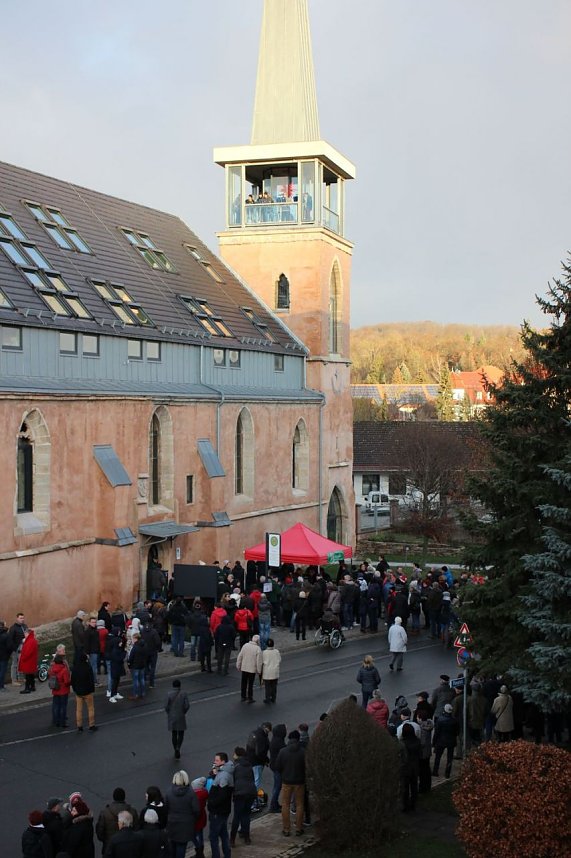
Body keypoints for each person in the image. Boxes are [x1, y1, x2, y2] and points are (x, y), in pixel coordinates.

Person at [275, 729, 306, 838]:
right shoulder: (303, 751)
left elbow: (277, 767)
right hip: (300, 782)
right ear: (298, 739)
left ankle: (286, 829)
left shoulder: (283, 751)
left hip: (286, 781)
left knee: (285, 804)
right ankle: (298, 828)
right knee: (299, 805)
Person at [164, 770, 199, 858]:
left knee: (172, 846)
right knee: (181, 847)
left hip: (172, 823)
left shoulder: (168, 792)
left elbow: (165, 808)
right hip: (186, 825)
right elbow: (196, 810)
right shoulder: (191, 793)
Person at [207, 753, 234, 858]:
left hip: (217, 811)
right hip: (224, 810)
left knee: (213, 837)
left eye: (217, 760)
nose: (215, 762)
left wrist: (211, 802)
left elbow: (222, 795)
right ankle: (227, 855)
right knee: (223, 834)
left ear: (223, 762)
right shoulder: (226, 771)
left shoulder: (223, 776)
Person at [96, 788, 139, 853]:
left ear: (114, 797)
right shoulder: (132, 811)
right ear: (124, 797)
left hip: (109, 848)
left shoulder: (105, 813)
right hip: (129, 848)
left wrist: (107, 841)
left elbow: (100, 833)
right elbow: (137, 830)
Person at [230, 746, 257, 846]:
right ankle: (247, 838)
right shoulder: (249, 765)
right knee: (246, 815)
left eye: (234, 754)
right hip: (251, 792)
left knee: (237, 816)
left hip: (240, 793)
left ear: (237, 755)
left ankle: (232, 839)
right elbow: (252, 779)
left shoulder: (235, 766)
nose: (233, 755)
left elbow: (233, 781)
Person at [71, 651, 97, 732]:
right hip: (88, 691)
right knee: (90, 708)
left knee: (79, 710)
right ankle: (91, 725)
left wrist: (75, 690)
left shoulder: (75, 668)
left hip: (78, 692)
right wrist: (92, 689)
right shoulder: (88, 667)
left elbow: (73, 681)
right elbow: (91, 680)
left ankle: (79, 726)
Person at [432, 703, 459, 778]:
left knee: (438, 757)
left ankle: (435, 771)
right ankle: (447, 773)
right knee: (449, 758)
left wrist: (434, 742)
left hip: (441, 741)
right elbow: (457, 732)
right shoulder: (454, 720)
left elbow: (436, 732)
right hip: (451, 741)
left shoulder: (440, 720)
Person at [399, 722, 421, 812]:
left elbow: (403, 757)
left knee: (405, 787)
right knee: (414, 786)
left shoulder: (403, 743)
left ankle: (405, 806)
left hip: (406, 767)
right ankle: (413, 804)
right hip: (415, 766)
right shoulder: (417, 741)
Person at [246, 720, 271, 797]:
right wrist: (266, 760)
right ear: (266, 728)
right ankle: (253, 801)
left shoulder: (254, 733)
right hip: (257, 762)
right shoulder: (261, 737)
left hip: (250, 759)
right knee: (256, 781)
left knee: (252, 780)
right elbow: (260, 752)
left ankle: (251, 798)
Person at [165, 679, 190, 759]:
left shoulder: (169, 694)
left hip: (172, 716)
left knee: (174, 733)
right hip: (181, 715)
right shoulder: (184, 694)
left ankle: (175, 748)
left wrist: (169, 713)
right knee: (181, 733)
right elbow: (187, 705)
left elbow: (166, 706)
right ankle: (178, 747)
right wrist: (183, 712)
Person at [48, 652, 71, 729]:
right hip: (63, 691)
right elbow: (67, 681)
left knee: (56, 706)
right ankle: (62, 722)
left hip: (55, 690)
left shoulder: (52, 669)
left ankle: (56, 721)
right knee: (63, 707)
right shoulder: (64, 670)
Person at [236, 634, 262, 703]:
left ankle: (243, 696)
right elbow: (258, 661)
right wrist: (259, 670)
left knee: (243, 683)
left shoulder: (245, 645)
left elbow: (240, 656)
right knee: (250, 684)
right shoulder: (258, 649)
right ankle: (250, 697)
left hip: (244, 668)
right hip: (252, 669)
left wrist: (238, 665)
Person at [268, 723, 287, 813]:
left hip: (274, 766)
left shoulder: (275, 740)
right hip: (278, 767)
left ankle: (274, 804)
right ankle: (273, 805)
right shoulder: (279, 742)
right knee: (277, 787)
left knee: (276, 786)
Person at [190, 778, 208, 858]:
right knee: (200, 835)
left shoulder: (196, 796)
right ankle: (200, 852)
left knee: (192, 835)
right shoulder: (204, 793)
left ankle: (199, 852)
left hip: (195, 819)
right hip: (202, 817)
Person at [8, 611, 27, 686]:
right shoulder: (13, 628)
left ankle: (21, 678)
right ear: (17, 619)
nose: (22, 619)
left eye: (23, 618)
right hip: (16, 649)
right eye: (20, 618)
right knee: (15, 665)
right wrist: (14, 649)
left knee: (21, 663)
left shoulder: (25, 626)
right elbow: (10, 640)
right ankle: (14, 680)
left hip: (24, 648)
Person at [19, 627, 39, 694]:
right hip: (31, 661)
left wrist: (23, 658)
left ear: (27, 633)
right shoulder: (32, 640)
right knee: (31, 675)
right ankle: (32, 687)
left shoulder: (30, 641)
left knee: (27, 675)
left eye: (25, 633)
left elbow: (28, 652)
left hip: (28, 661)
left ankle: (27, 688)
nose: (24, 634)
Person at [261, 638, 281, 704]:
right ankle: (273, 698)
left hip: (267, 672)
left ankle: (268, 698)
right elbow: (279, 660)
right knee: (274, 686)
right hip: (275, 671)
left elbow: (262, 662)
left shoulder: (264, 652)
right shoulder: (277, 651)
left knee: (267, 687)